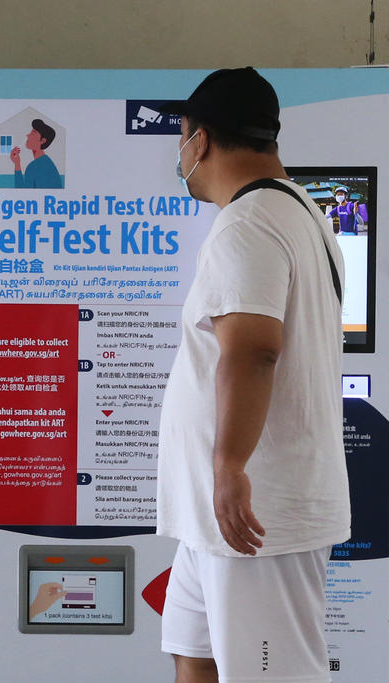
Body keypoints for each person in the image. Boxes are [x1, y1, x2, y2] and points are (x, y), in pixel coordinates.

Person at [156, 67, 350, 683]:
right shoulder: (301, 215)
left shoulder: (250, 224)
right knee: (194, 657)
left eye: (180, 137)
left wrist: (229, 467)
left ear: (200, 140)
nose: (180, 153)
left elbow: (253, 350)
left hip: (252, 516)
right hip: (214, 522)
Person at [10, 118, 63, 188]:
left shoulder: (34, 167)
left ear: (43, 141)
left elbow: (21, 193)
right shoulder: (47, 162)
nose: (27, 135)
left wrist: (17, 164)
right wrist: (17, 163)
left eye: (33, 133)